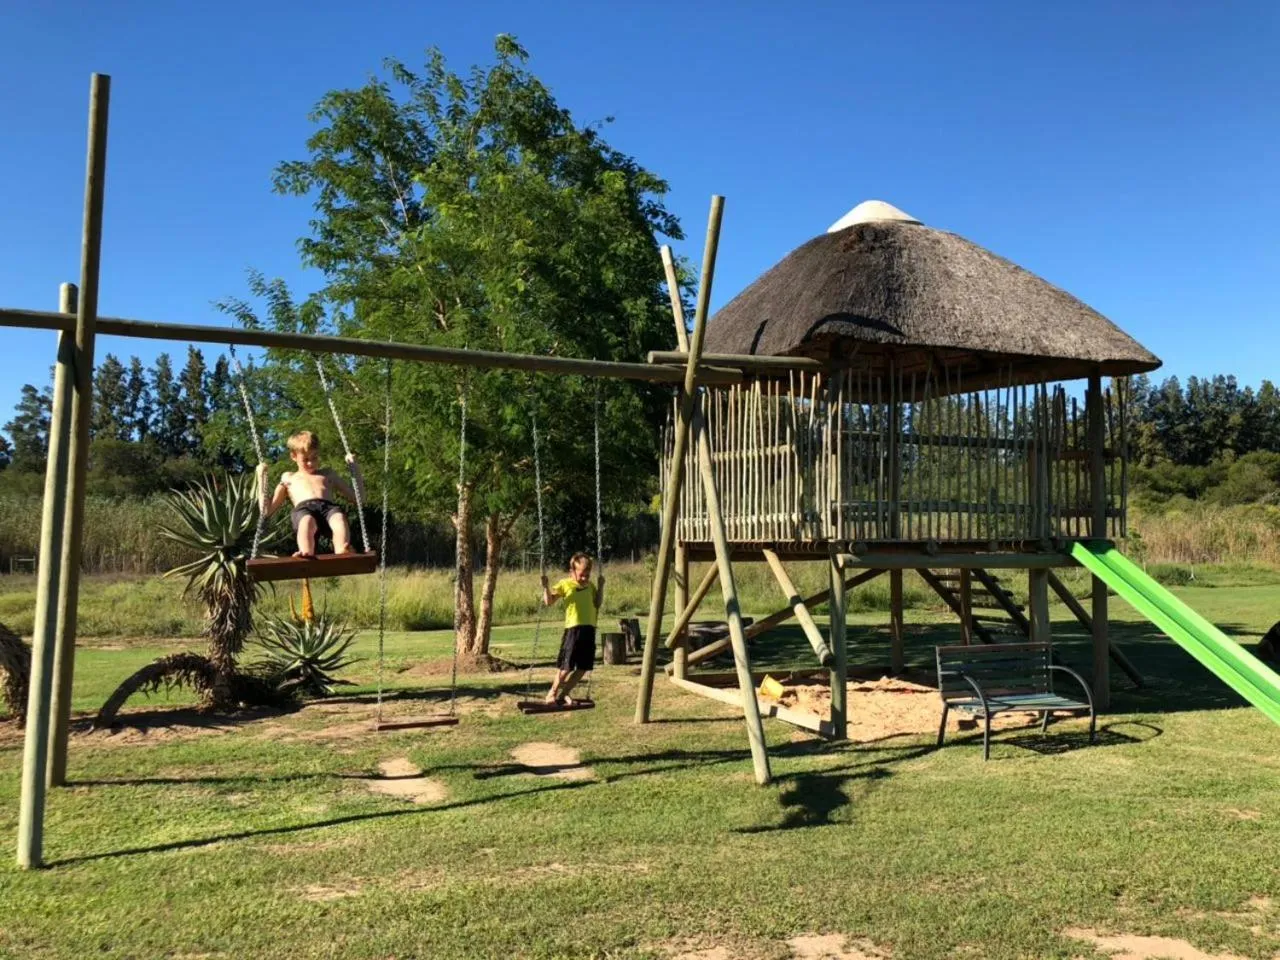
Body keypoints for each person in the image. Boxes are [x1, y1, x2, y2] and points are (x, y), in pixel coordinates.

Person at [261, 430, 362, 558]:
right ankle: (305, 552)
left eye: (314, 458)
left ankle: (342, 548)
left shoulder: (328, 474)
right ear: (293, 457)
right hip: (304, 509)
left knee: (339, 518)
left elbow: (359, 499)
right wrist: (261, 477)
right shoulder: (289, 477)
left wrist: (355, 468)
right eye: (305, 459)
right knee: (307, 522)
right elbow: (266, 511)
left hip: (328, 508)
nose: (311, 463)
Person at [540, 553, 605, 705]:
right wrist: (545, 587)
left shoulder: (591, 586)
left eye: (587, 575)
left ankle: (564, 694)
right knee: (566, 667)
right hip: (573, 630)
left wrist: (601, 587)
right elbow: (549, 601)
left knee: (583, 668)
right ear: (572, 572)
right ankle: (552, 693)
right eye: (581, 575)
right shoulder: (565, 584)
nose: (584, 578)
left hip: (589, 629)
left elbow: (597, 603)